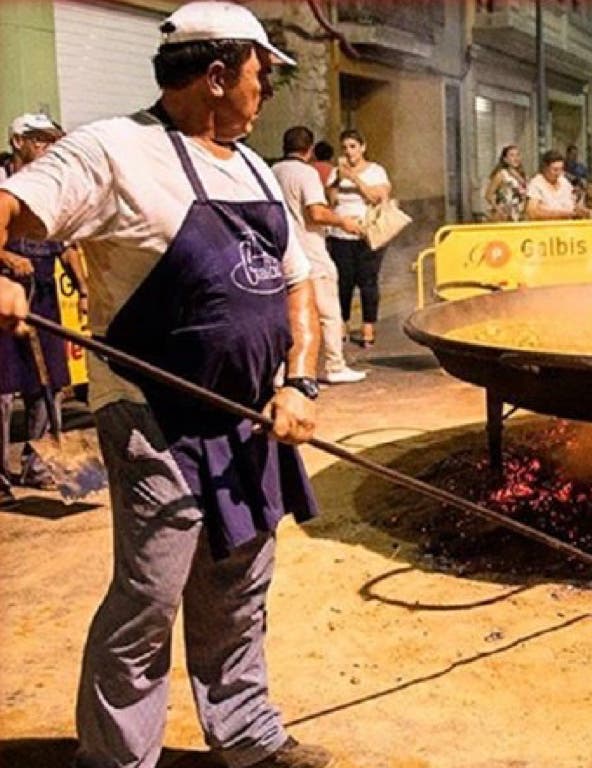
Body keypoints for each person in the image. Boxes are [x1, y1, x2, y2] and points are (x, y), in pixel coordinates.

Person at [0, 3, 338, 767]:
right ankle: (117, 756)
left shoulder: (253, 167)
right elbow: (10, 210)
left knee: (240, 582)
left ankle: (248, 733)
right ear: (217, 77)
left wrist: (301, 386)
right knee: (151, 593)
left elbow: (294, 289)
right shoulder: (113, 151)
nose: (265, 94)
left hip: (250, 416)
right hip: (152, 412)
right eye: (260, 76)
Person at [0, 114, 88, 506]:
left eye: (51, 141)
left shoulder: (52, 188)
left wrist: (85, 289)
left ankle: (39, 466)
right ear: (17, 142)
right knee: (2, 392)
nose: (46, 148)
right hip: (4, 299)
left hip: (45, 297)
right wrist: (4, 256)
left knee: (48, 384)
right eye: (38, 140)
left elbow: (67, 244)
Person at [272, 126, 366, 384]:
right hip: (311, 252)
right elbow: (316, 213)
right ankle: (334, 365)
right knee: (328, 312)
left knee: (291, 313)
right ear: (309, 150)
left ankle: (283, 372)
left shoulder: (273, 172)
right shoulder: (306, 173)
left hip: (283, 252)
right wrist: (343, 222)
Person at [325, 128, 391, 348]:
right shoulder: (336, 173)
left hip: (367, 235)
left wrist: (354, 178)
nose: (349, 152)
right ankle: (342, 325)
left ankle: (368, 327)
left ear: (363, 148)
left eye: (353, 147)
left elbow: (377, 197)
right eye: (344, 148)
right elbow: (331, 201)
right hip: (340, 235)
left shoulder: (376, 171)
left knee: (368, 282)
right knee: (343, 282)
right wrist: (336, 182)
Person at [525, 149, 590, 220]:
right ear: (545, 168)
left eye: (561, 169)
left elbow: (573, 204)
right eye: (555, 170)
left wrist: (583, 211)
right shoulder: (536, 184)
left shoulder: (564, 182)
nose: (558, 173)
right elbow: (532, 212)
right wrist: (563, 214)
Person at [483, 144, 528, 222]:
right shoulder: (501, 175)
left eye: (517, 155)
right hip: (504, 214)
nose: (516, 158)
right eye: (512, 155)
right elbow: (488, 195)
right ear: (505, 159)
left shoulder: (522, 175)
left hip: (519, 214)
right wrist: (499, 211)